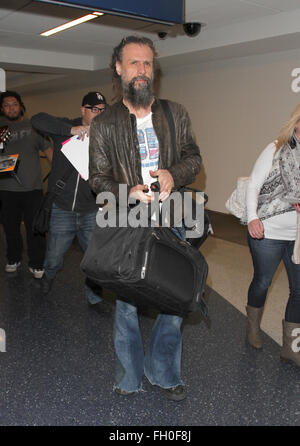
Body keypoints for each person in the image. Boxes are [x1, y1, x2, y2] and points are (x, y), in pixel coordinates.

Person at [89, 36, 201, 400]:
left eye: (148, 64)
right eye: (134, 63)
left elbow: (194, 158)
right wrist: (129, 192)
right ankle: (129, 376)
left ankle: (165, 373)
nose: (142, 70)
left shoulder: (175, 113)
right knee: (126, 303)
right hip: (129, 219)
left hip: (173, 216)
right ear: (119, 69)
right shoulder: (105, 123)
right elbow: (98, 179)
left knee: (174, 299)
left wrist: (174, 174)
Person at [31, 92, 109, 312]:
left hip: (91, 209)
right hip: (62, 208)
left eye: (102, 110)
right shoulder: (63, 128)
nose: (99, 113)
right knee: (55, 255)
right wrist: (71, 130)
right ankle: (48, 278)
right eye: (94, 109)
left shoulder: (105, 136)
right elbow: (37, 119)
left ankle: (94, 297)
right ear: (83, 109)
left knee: (94, 259)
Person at [246, 103, 300, 367]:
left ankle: (291, 347)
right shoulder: (276, 149)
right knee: (263, 282)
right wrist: (253, 217)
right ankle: (253, 328)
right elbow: (254, 185)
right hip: (268, 230)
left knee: (299, 290)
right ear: (296, 122)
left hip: (298, 235)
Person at [0, 91, 53, 278]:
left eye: (14, 104)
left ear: (20, 105)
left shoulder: (33, 126)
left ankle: (37, 263)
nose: (10, 108)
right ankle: (13, 259)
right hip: (6, 189)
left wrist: (57, 173)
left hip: (32, 189)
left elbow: (48, 149)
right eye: (6, 105)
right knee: (10, 228)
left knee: (35, 228)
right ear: (2, 108)